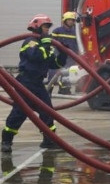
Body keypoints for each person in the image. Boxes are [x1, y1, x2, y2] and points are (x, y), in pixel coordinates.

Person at [2, 14, 68, 153]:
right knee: (20, 112)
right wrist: (45, 44)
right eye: (45, 27)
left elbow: (54, 64)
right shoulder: (30, 41)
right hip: (25, 83)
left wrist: (63, 53)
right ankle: (6, 141)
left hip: (37, 83)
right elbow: (37, 57)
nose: (47, 30)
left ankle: (49, 140)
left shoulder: (45, 44)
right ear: (36, 27)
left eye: (48, 27)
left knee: (47, 111)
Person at [50, 11, 78, 94]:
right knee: (53, 73)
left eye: (72, 20)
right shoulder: (57, 31)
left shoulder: (75, 32)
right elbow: (52, 44)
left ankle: (64, 89)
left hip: (71, 56)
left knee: (68, 73)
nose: (71, 22)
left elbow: (76, 44)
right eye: (69, 20)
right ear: (65, 20)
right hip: (59, 55)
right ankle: (49, 89)